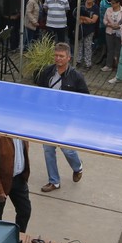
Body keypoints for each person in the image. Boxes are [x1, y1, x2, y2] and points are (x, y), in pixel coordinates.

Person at [35, 43, 86, 192]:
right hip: (49, 118)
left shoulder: (76, 77)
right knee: (48, 150)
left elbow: (85, 98)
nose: (58, 58)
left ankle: (78, 167)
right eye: (56, 55)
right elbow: (39, 92)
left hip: (66, 120)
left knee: (67, 150)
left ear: (68, 58)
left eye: (61, 56)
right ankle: (54, 181)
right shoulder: (47, 72)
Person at [0, 135, 31, 239]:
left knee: (25, 210)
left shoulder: (23, 133)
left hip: (19, 178)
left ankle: (17, 238)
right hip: (2, 180)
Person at [102, 0, 122, 74]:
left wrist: (119, 26)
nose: (112, 5)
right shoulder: (108, 10)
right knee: (110, 49)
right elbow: (104, 19)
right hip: (109, 31)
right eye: (111, 3)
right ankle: (109, 65)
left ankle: (119, 66)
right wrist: (108, 24)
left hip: (119, 32)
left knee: (119, 50)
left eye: (114, 3)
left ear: (118, 3)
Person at [77, 0, 99, 68]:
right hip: (80, 29)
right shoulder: (81, 5)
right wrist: (86, 19)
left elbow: (93, 20)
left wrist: (84, 19)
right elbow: (78, 17)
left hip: (90, 30)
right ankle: (78, 61)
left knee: (88, 47)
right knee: (79, 45)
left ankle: (88, 63)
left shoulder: (95, 7)